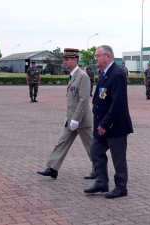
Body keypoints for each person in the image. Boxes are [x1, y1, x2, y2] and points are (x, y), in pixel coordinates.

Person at [37, 48, 96, 180]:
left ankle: (98, 169)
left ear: (75, 60)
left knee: (91, 146)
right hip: (71, 119)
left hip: (82, 120)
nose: (64, 62)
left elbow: (84, 99)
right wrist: (71, 119)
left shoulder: (83, 76)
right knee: (61, 143)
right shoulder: (73, 75)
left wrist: (76, 119)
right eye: (64, 59)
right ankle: (52, 168)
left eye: (67, 60)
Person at [84, 45, 133, 199]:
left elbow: (118, 103)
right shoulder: (104, 73)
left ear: (108, 57)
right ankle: (101, 182)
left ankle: (121, 187)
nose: (95, 58)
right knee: (95, 150)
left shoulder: (117, 74)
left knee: (118, 158)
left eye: (98, 55)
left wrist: (105, 124)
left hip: (115, 125)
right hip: (102, 125)